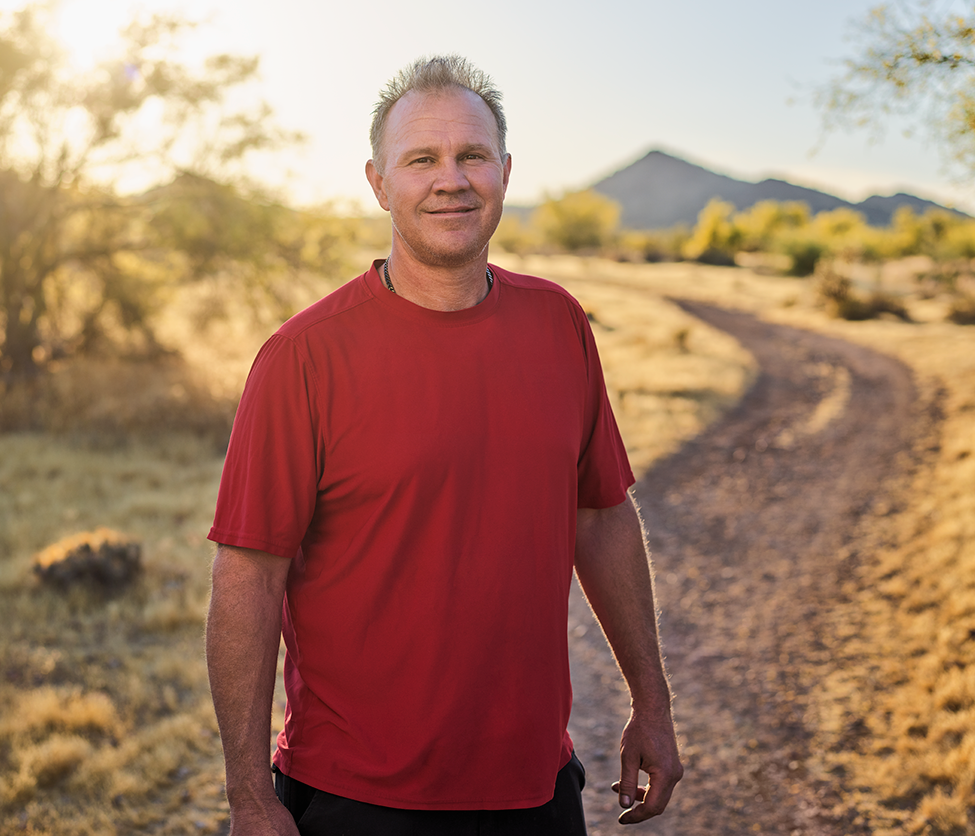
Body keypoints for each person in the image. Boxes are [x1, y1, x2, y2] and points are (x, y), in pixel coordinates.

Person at [205, 55, 683, 836]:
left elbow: (601, 518)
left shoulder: (558, 323)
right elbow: (249, 575)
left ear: (504, 170)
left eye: (472, 155)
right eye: (421, 159)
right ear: (378, 181)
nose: (450, 179)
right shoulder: (304, 357)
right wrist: (249, 797)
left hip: (536, 789)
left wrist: (653, 703)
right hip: (357, 798)